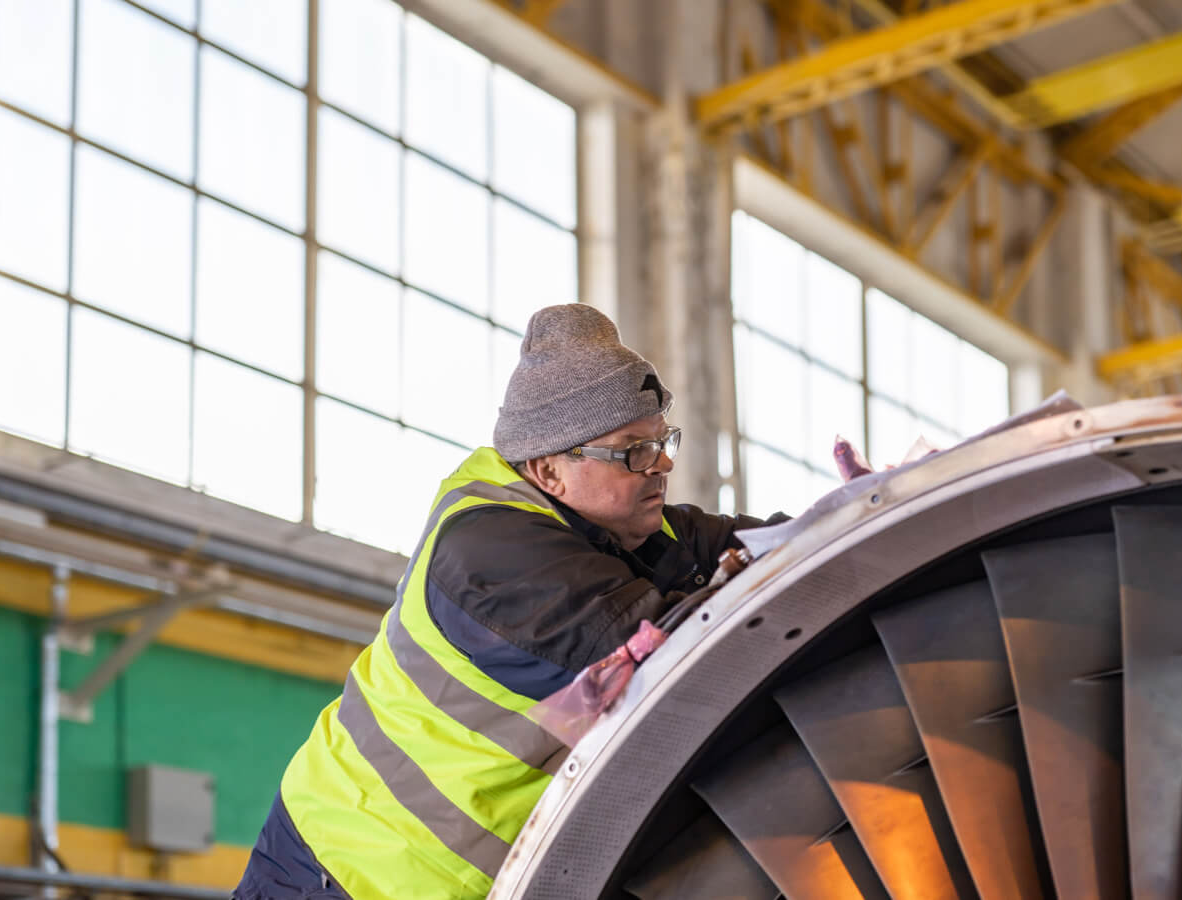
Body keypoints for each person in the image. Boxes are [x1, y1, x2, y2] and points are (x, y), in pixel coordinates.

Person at [235, 304, 785, 900]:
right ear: (549, 471)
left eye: (662, 440)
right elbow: (668, 655)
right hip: (346, 869)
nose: (663, 464)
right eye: (633, 451)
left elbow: (776, 548)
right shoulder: (491, 550)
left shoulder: (631, 527)